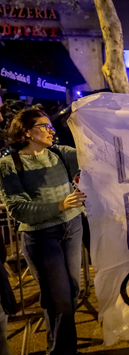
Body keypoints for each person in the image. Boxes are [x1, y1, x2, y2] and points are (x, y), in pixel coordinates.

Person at [0, 108, 86, 355]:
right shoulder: (9, 164)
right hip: (41, 237)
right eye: (43, 126)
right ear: (26, 132)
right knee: (59, 299)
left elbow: (93, 152)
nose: (51, 131)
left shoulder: (61, 154)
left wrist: (84, 123)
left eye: (51, 126)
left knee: (70, 293)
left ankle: (59, 347)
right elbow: (18, 209)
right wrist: (60, 205)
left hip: (72, 228)